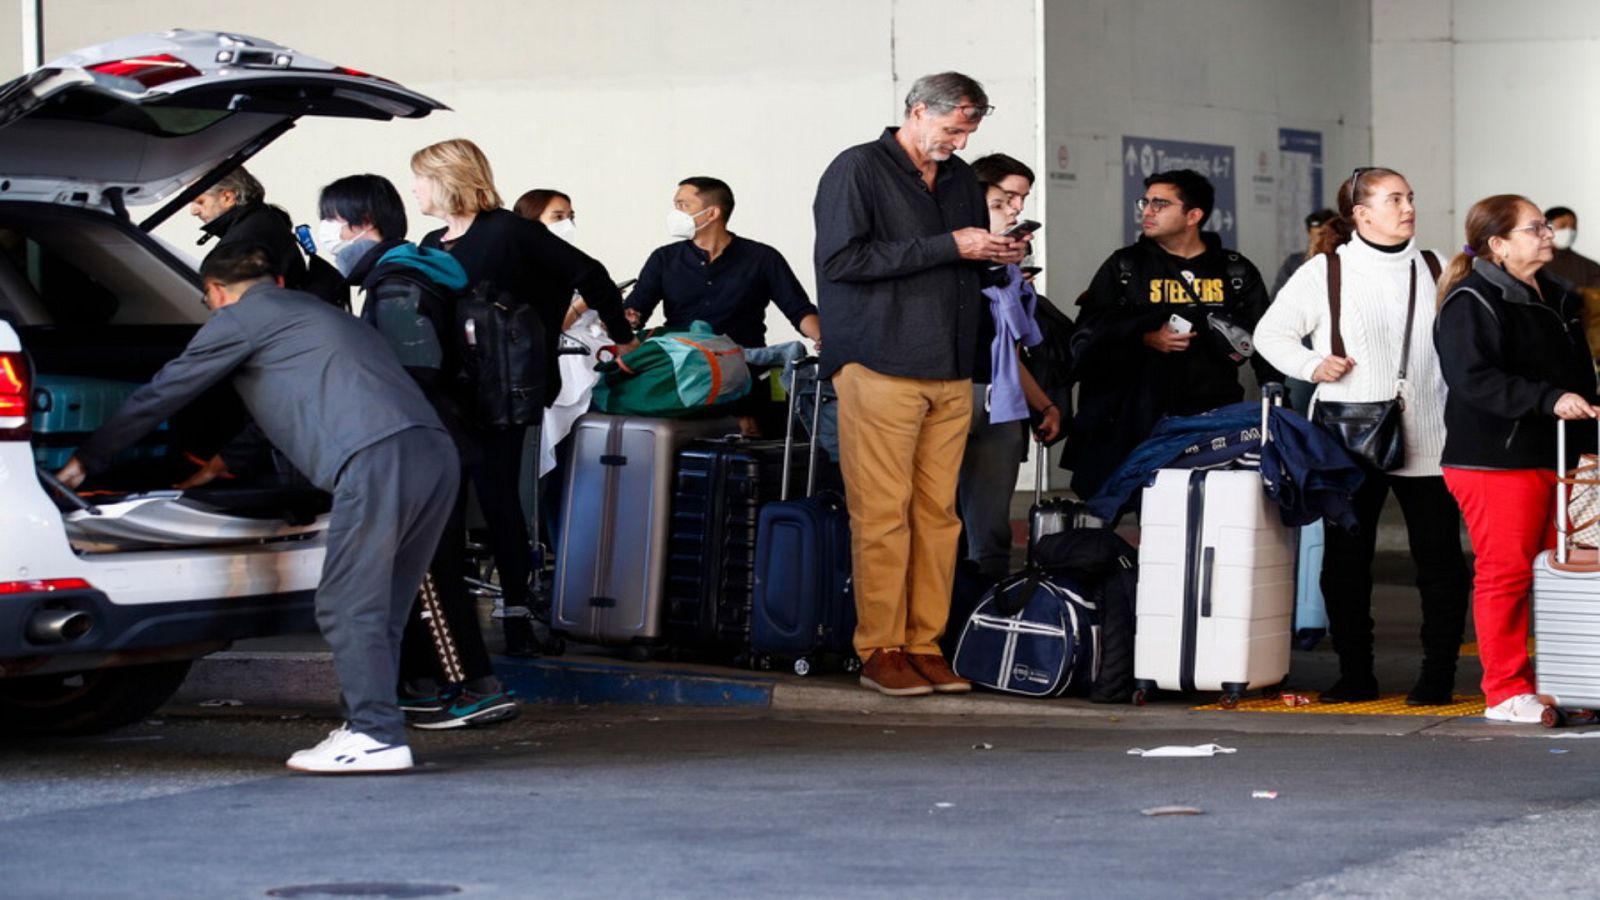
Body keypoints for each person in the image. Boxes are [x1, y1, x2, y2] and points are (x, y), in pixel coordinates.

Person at [56, 243, 456, 773]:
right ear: (279, 282)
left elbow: (164, 392)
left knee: (345, 603)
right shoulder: (317, 315)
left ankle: (375, 733)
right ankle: (371, 725)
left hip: (375, 458)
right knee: (382, 604)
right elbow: (282, 409)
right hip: (432, 452)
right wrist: (217, 466)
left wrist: (86, 461)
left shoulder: (241, 318)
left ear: (216, 293)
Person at [813, 71, 1028, 696]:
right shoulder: (857, 169)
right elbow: (838, 261)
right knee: (883, 514)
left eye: (969, 131)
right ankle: (879, 647)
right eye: (953, 128)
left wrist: (993, 255)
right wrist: (947, 245)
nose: (959, 143)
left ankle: (924, 644)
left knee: (939, 515)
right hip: (879, 360)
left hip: (951, 364)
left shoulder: (959, 179)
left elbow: (956, 258)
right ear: (916, 111)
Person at [1253, 167, 1470, 705]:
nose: (1407, 206)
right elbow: (1269, 334)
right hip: (1350, 433)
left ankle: (1438, 677)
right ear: (1361, 214)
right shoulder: (1326, 271)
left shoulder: (1437, 265)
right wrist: (1312, 364)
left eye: (1410, 196)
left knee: (1439, 558)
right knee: (1347, 560)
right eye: (1393, 198)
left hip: (1432, 432)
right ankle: (1356, 673)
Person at [412, 138, 637, 654]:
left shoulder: (512, 232)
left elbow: (592, 275)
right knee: (445, 504)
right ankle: (450, 621)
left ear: (447, 178)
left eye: (421, 178)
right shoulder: (430, 242)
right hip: (445, 392)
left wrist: (622, 339)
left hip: (501, 394)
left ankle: (515, 615)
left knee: (498, 500)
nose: (416, 189)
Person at [317, 173, 517, 730]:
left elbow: (417, 370)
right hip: (440, 438)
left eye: (333, 220)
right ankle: (420, 688)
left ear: (363, 223)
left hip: (419, 441)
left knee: (429, 571)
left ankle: (471, 686)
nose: (329, 233)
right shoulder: (410, 272)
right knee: (420, 567)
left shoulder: (399, 284)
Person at [1435, 195, 1599, 723]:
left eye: (1546, 227)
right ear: (1499, 244)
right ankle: (1505, 691)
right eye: (1535, 229)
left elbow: (1577, 379)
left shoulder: (1554, 296)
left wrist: (1588, 442)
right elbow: (1472, 378)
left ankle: (1564, 682)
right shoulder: (1472, 299)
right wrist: (1546, 399)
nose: (1548, 234)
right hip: (1494, 459)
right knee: (1506, 574)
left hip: (1557, 457)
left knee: (1567, 574)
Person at [1064, 169, 1274, 500]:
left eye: (1160, 204)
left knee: (1204, 507)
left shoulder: (1234, 270)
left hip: (1212, 414)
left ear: (1194, 215)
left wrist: (1273, 398)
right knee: (1130, 504)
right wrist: (1144, 337)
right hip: (1135, 417)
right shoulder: (1125, 267)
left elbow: (1266, 338)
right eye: (1145, 202)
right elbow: (1086, 335)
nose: (1147, 211)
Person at [625, 177, 820, 436]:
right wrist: (626, 318)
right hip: (684, 368)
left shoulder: (762, 257)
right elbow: (636, 309)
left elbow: (798, 309)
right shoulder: (664, 258)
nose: (675, 213)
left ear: (713, 212)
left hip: (743, 366)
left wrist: (822, 337)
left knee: (749, 431)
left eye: (683, 205)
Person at [956, 157, 1062, 578]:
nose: (1015, 209)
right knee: (940, 517)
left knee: (993, 524)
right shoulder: (951, 265)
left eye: (1020, 200)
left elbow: (1008, 353)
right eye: (1002, 201)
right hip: (950, 393)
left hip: (1000, 400)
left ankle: (991, 611)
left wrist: (1044, 405)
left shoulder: (1009, 273)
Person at [190, 166, 347, 309]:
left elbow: (241, 310)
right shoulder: (266, 221)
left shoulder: (241, 244)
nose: (193, 211)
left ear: (227, 197)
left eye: (200, 201)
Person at [1543, 205, 1600, 360]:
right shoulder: (1536, 265)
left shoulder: (1590, 266)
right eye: (1562, 226)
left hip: (1585, 344)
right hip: (1545, 342)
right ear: (1547, 228)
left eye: (1573, 227)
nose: (1569, 231)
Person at [1270, 208, 1338, 298]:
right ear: (1309, 234)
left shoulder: (1348, 262)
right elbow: (1277, 298)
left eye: (1327, 235)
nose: (1321, 241)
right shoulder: (1294, 263)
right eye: (1320, 235)